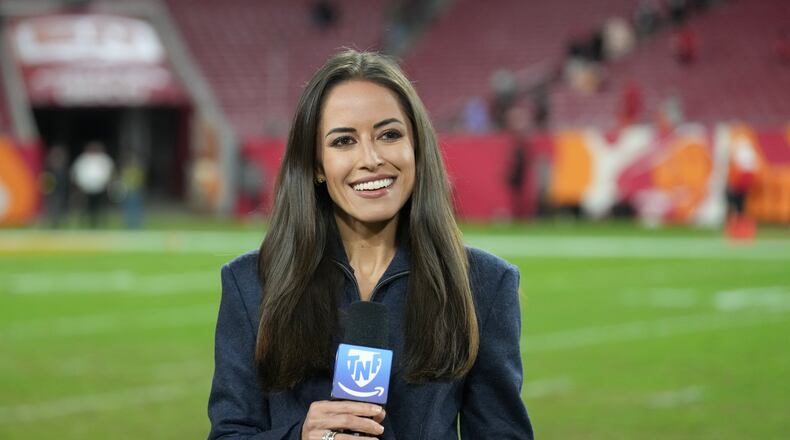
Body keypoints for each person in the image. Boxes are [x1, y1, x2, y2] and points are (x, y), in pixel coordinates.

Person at [207, 50, 534, 439]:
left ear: (416, 147)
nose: (371, 158)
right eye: (344, 141)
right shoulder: (250, 284)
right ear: (315, 165)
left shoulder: (485, 285)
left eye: (389, 135)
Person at [71, 141, 114, 228]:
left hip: (101, 188)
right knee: (85, 207)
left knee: (100, 207)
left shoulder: (104, 159)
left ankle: (100, 223)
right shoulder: (83, 159)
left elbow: (110, 171)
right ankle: (86, 223)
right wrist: (79, 184)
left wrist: (107, 183)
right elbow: (76, 172)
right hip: (86, 188)